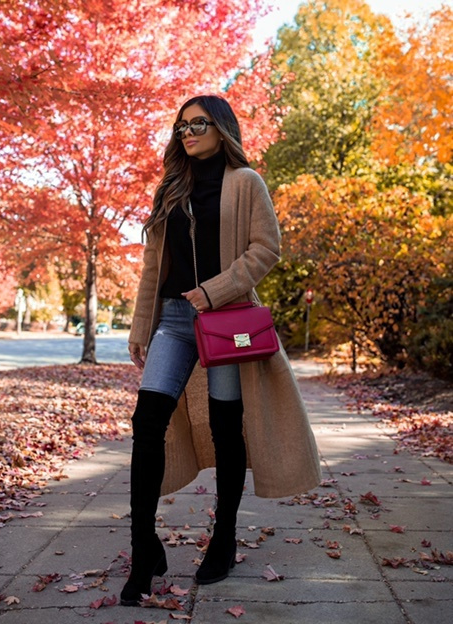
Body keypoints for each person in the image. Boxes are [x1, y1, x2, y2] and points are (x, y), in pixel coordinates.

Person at [120, 94, 321, 607]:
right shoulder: (171, 187)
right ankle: (144, 548)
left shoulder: (245, 182)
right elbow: (152, 266)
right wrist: (141, 323)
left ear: (221, 127)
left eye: (198, 124)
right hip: (172, 321)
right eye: (181, 126)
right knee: (148, 421)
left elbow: (265, 248)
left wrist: (214, 290)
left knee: (227, 424)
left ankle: (225, 536)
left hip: (226, 320)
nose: (187, 133)